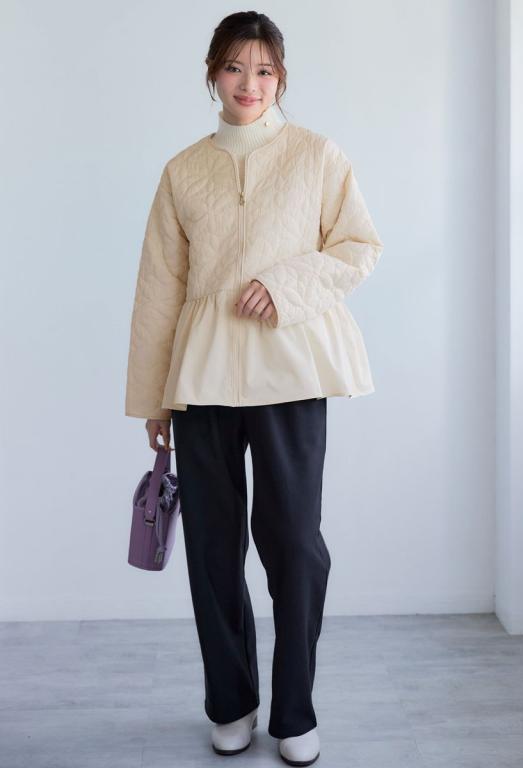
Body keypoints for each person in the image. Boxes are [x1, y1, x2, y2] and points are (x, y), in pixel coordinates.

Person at [124, 11, 383, 766]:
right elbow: (158, 291)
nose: (249, 83)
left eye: (264, 70)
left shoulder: (317, 156)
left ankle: (295, 711)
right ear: (213, 73)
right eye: (235, 67)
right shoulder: (182, 171)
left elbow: (358, 246)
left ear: (281, 78)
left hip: (292, 372)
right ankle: (230, 703)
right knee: (212, 550)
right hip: (202, 380)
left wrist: (285, 284)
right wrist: (152, 400)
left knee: (295, 545)